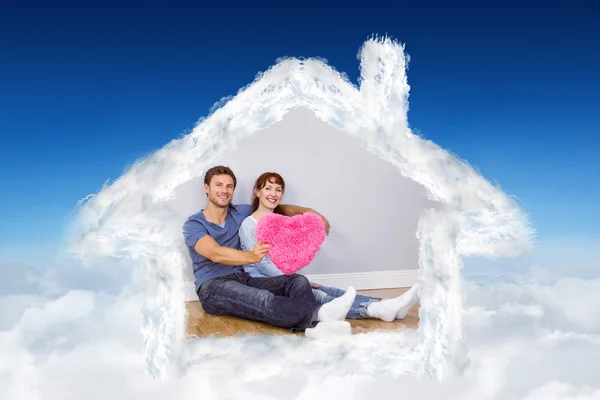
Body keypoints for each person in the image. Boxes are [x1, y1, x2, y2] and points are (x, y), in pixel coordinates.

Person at [182, 165, 358, 334]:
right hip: (212, 286)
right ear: (207, 188)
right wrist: (252, 256)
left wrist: (312, 213)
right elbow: (215, 253)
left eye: (229, 186)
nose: (224, 190)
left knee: (297, 281)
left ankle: (315, 327)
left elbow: (281, 208)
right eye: (218, 185)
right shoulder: (194, 224)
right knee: (262, 299)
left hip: (244, 278)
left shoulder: (239, 212)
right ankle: (320, 315)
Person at [238, 172, 420, 322]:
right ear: (258, 191)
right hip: (261, 280)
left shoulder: (284, 223)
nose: (273, 193)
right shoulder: (249, 224)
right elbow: (261, 264)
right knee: (317, 295)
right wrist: (293, 279)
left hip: (284, 277)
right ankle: (375, 310)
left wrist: (294, 276)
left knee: (329, 290)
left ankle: (388, 304)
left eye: (278, 190)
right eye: (268, 188)